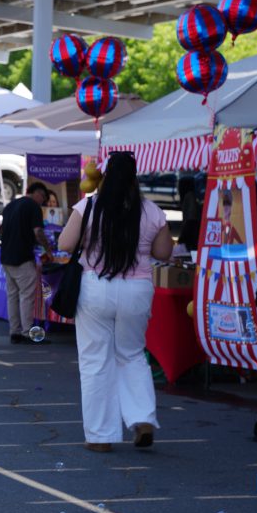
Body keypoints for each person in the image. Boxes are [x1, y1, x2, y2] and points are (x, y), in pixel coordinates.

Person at [58, 152, 173, 453]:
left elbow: (65, 244)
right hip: (137, 289)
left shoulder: (89, 206)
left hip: (96, 287)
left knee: (95, 361)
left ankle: (100, 437)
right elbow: (163, 253)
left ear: (105, 176)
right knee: (132, 355)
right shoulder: (151, 210)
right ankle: (142, 418)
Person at [0, 182, 53, 344]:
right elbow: (38, 231)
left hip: (6, 256)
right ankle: (27, 332)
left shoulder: (11, 206)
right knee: (26, 296)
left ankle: (14, 331)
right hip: (22, 257)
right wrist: (48, 250)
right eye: (43, 198)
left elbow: (2, 229)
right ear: (38, 193)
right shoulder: (33, 206)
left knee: (12, 296)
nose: (43, 202)